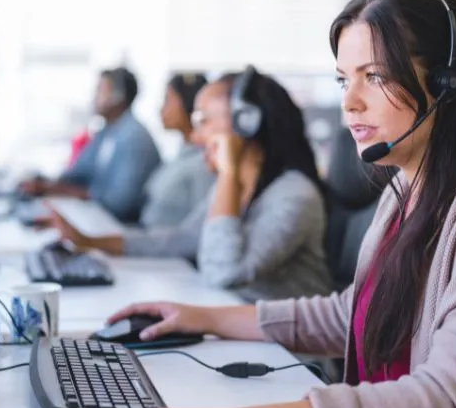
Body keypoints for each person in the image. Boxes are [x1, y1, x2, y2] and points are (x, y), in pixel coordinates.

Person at [106, 0, 456, 408]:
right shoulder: (410, 186)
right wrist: (205, 319)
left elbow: (449, 402)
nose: (349, 104)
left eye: (374, 76)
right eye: (343, 80)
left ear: (446, 84)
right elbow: (351, 314)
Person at [50, 67, 333, 302]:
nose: (196, 137)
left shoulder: (294, 195)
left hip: (292, 359)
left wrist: (227, 173)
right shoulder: (240, 187)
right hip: (237, 332)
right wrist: (89, 241)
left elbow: (225, 272)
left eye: (204, 121)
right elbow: (182, 239)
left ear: (247, 123)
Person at [19, 67, 161, 223]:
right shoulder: (106, 131)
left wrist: (59, 191)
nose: (93, 97)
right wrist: (45, 184)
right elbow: (77, 174)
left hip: (120, 226)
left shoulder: (134, 137)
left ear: (117, 97)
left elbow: (120, 203)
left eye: (100, 91)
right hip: (99, 216)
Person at [140, 73, 215, 228]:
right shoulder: (181, 154)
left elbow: (199, 231)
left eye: (168, 101)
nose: (161, 109)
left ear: (189, 104)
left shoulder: (205, 163)